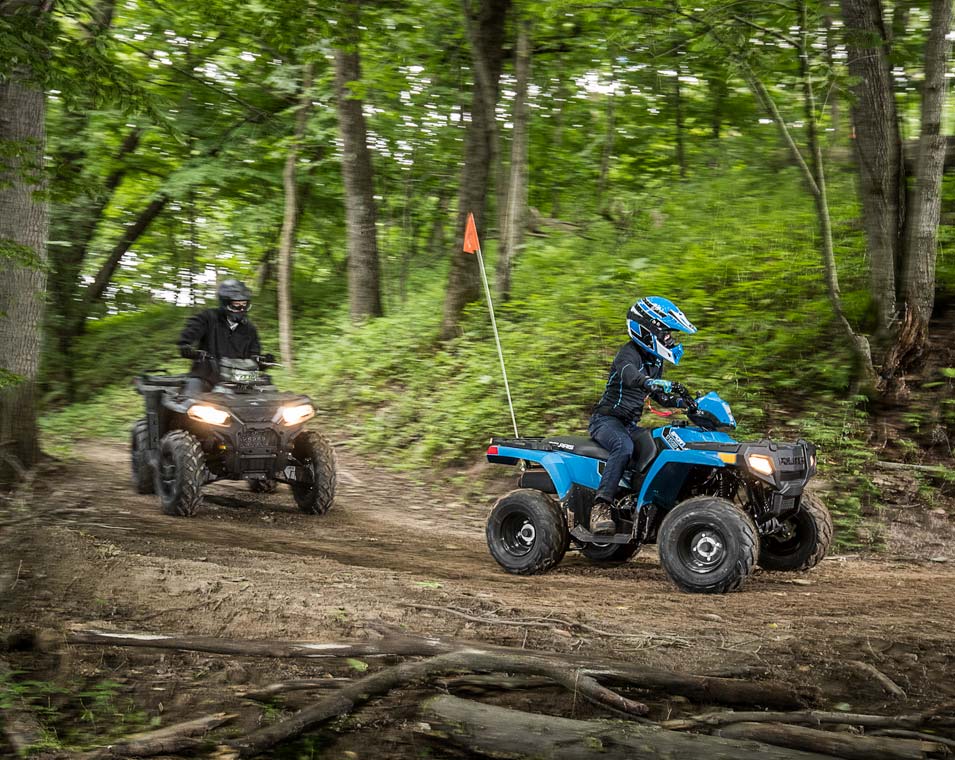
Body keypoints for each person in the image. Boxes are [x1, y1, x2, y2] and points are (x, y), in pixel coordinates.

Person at [588, 296, 697, 534]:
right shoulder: (628, 354)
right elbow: (630, 376)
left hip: (629, 424)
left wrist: (686, 403)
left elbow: (661, 397)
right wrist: (649, 382)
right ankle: (600, 507)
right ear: (647, 331)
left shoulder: (655, 361)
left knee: (659, 447)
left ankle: (639, 506)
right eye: (665, 334)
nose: (669, 339)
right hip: (606, 421)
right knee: (623, 447)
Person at [177, 279, 272, 393]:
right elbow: (192, 329)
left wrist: (262, 361)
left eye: (244, 304)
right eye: (236, 304)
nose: (241, 308)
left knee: (267, 393)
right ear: (225, 303)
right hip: (206, 377)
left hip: (239, 380)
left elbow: (254, 356)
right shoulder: (208, 317)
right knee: (191, 395)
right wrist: (186, 345)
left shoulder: (250, 329)